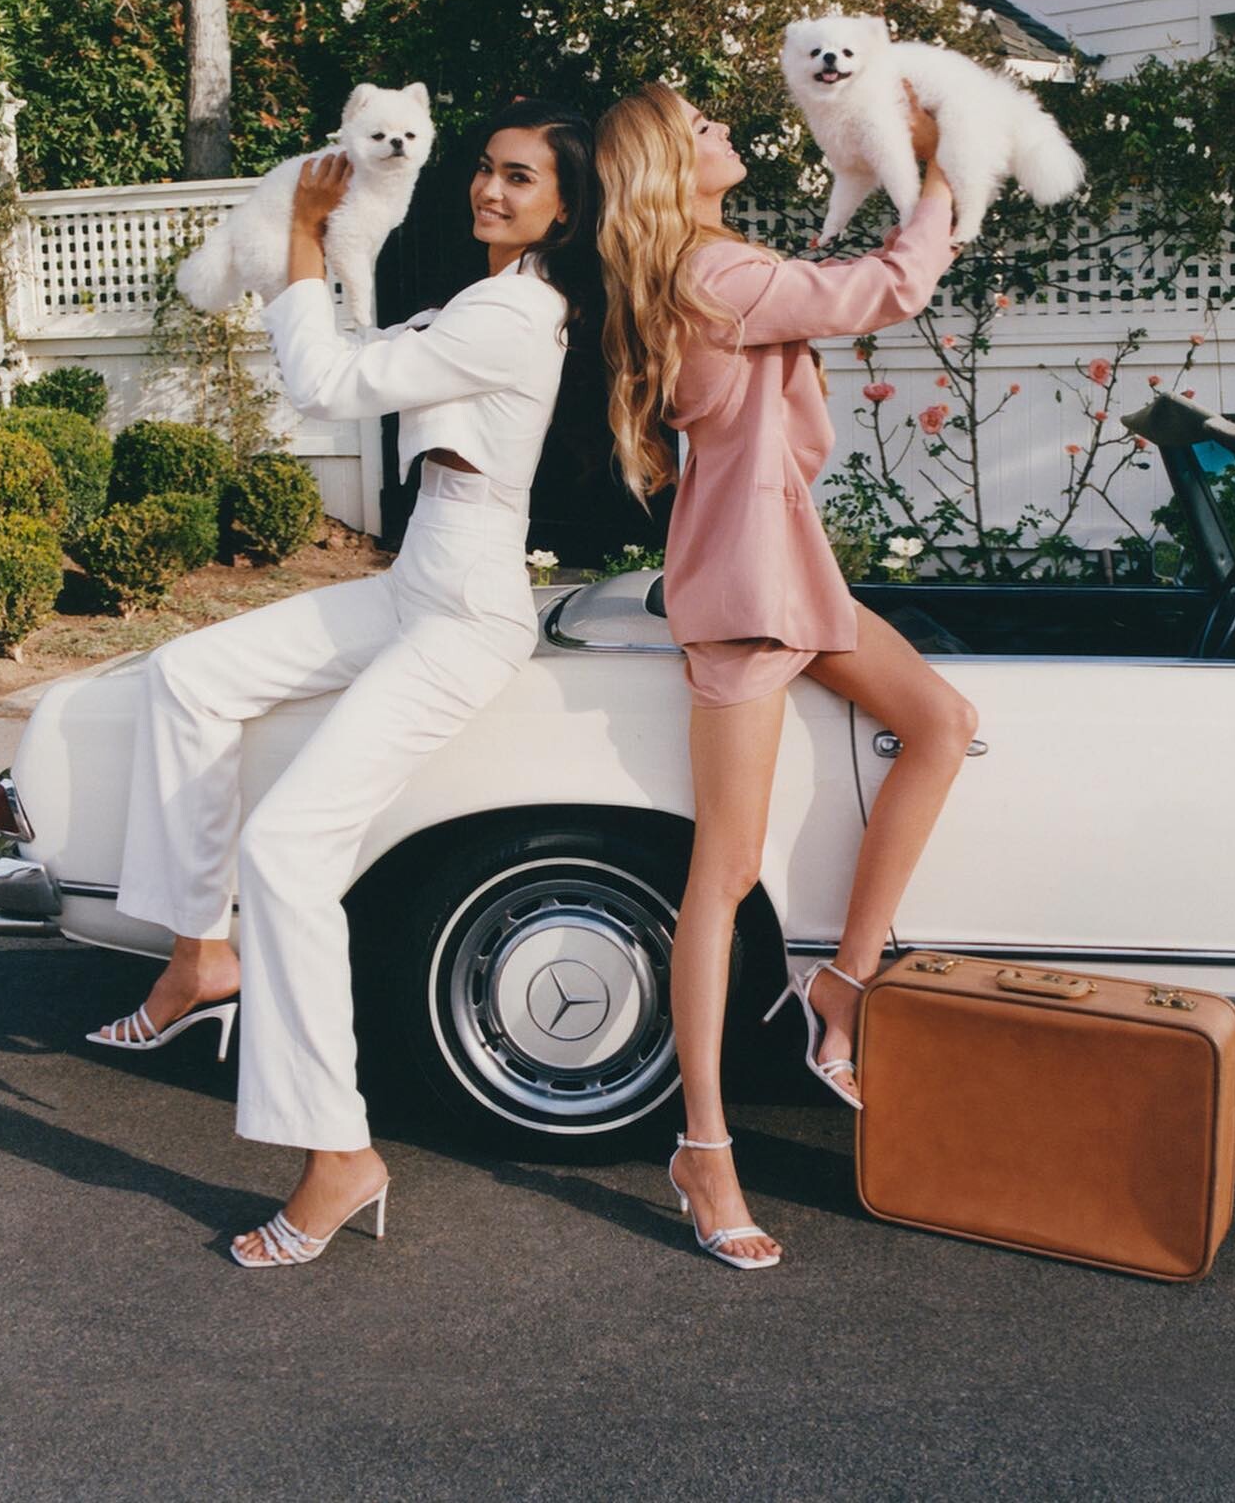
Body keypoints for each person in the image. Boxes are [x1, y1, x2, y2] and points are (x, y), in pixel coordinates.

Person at [88, 98, 603, 1267]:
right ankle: (199, 953)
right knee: (189, 673)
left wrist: (301, 236)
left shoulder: (515, 312)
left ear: (565, 209)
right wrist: (322, 256)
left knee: (287, 850)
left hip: (465, 611)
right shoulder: (485, 296)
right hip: (420, 577)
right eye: (486, 167)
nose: (490, 189)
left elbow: (325, 383)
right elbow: (359, 355)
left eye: (521, 178)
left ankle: (338, 1154)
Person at [595, 83, 977, 1270]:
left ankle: (843, 986)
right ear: (673, 164)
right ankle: (704, 1148)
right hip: (750, 593)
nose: (722, 131)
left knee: (941, 721)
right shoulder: (717, 274)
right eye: (701, 126)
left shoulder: (708, 268)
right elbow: (888, 288)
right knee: (724, 875)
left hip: (782, 565)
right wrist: (945, 164)